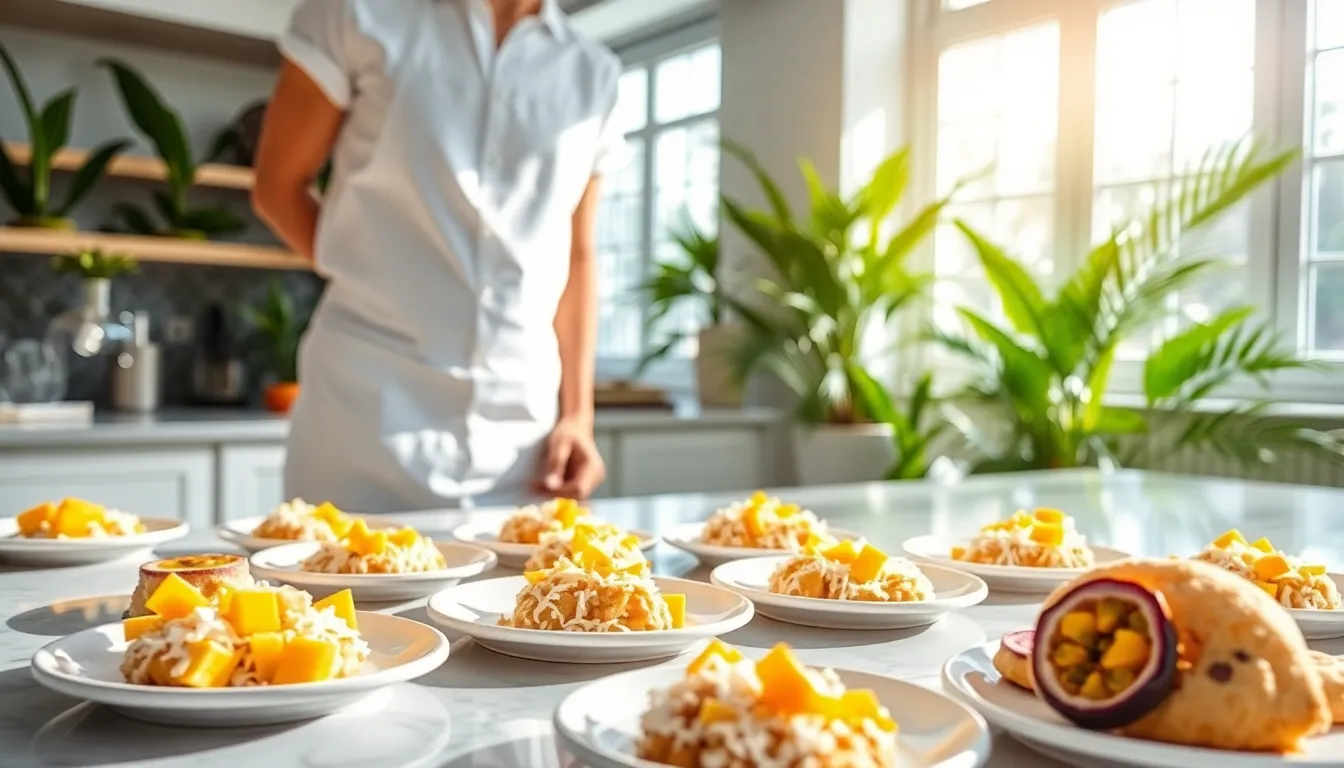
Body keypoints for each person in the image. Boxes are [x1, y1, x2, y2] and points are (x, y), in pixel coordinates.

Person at [252, 0, 624, 513]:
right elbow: (277, 186)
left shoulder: (594, 75)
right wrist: (368, 270)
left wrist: (578, 416)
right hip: (364, 421)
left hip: (524, 446)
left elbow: (578, 256)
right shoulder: (358, 13)